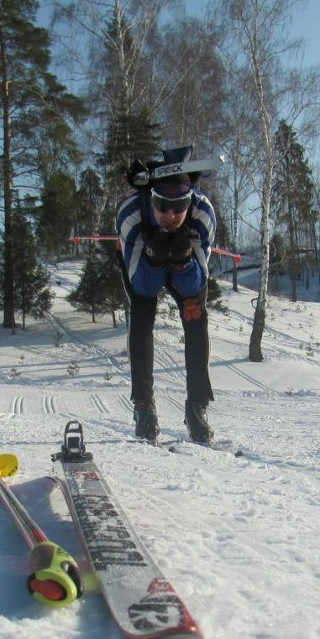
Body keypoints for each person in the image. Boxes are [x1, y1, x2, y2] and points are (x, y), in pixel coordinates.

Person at [115, 146, 217, 443]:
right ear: (151, 198)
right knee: (142, 316)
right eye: (162, 204)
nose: (170, 215)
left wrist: (184, 260)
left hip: (186, 266)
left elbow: (193, 286)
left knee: (195, 315)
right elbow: (142, 287)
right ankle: (144, 406)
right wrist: (155, 257)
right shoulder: (131, 214)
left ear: (190, 200)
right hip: (142, 262)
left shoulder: (202, 214)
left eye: (179, 205)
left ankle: (197, 406)